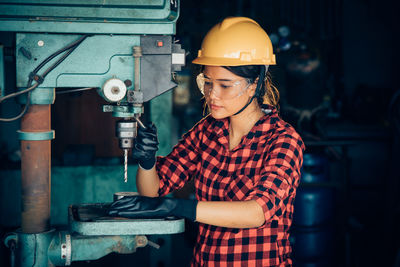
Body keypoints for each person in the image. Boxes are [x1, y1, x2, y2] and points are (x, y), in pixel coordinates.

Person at [109, 17, 305, 266]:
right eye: (208, 83)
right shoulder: (206, 132)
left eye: (224, 85)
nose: (212, 95)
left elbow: (257, 212)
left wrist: (176, 207)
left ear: (254, 85)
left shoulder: (283, 141)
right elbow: (152, 191)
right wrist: (147, 162)